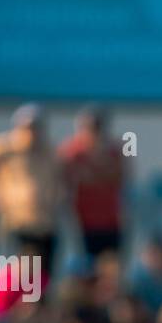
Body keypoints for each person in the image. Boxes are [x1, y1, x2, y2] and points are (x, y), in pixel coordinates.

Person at [0, 104, 64, 286]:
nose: (31, 133)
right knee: (19, 274)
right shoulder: (6, 149)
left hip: (46, 223)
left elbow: (61, 180)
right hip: (18, 221)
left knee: (44, 273)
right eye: (27, 127)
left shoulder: (49, 152)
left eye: (35, 127)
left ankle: (40, 308)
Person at [58, 106, 126, 259]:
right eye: (89, 127)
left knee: (110, 266)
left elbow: (121, 176)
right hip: (83, 222)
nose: (94, 132)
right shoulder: (73, 151)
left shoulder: (115, 150)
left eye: (97, 127)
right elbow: (68, 178)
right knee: (86, 267)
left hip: (111, 220)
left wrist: (96, 168)